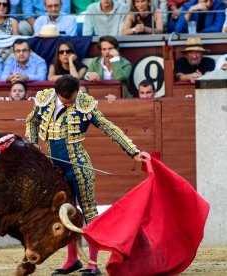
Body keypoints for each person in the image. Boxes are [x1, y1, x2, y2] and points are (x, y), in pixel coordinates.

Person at [25, 75, 150, 276]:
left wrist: (133, 151)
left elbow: (108, 127)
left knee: (89, 212)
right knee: (66, 213)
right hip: (54, 167)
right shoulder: (45, 99)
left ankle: (92, 263)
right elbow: (32, 121)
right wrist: (32, 144)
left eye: (73, 98)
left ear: (77, 91)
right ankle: (72, 260)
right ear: (57, 93)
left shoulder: (85, 103)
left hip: (79, 166)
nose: (70, 102)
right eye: (66, 100)